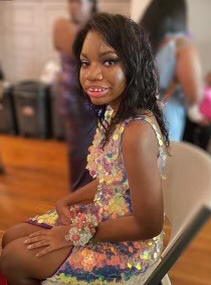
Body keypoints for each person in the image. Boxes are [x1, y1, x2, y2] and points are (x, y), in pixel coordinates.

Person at [0, 13, 169, 285]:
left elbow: (148, 225)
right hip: (102, 217)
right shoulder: (115, 114)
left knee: (13, 258)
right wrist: (69, 200)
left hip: (126, 247)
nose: (92, 74)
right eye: (85, 63)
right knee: (11, 237)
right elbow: (114, 182)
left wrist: (71, 234)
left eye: (109, 60)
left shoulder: (137, 132)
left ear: (134, 64)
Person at [140, 0, 203, 142]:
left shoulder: (139, 42)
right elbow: (195, 94)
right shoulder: (181, 46)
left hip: (136, 113)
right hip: (166, 116)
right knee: (163, 161)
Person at [54, 0, 97, 191]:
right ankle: (79, 194)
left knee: (95, 147)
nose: (74, 7)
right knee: (79, 149)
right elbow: (80, 52)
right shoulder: (62, 25)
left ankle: (92, 191)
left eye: (79, 2)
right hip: (73, 97)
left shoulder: (95, 28)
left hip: (93, 97)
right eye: (71, 2)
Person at [184, 70, 211, 149]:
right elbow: (192, 108)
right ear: (207, 78)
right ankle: (203, 152)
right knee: (206, 130)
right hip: (205, 120)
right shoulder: (201, 91)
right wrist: (201, 118)